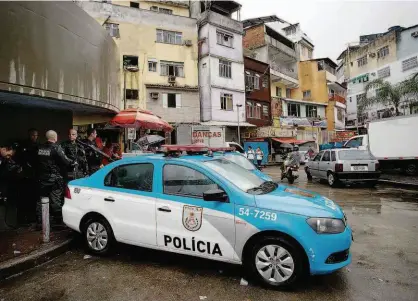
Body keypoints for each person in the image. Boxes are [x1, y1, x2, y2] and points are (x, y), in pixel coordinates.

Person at [37, 130, 74, 228]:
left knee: (42, 200)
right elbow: (66, 161)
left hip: (42, 178)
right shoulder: (56, 148)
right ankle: (58, 222)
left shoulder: (39, 148)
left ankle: (41, 222)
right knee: (55, 200)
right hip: (54, 179)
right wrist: (73, 162)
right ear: (55, 137)